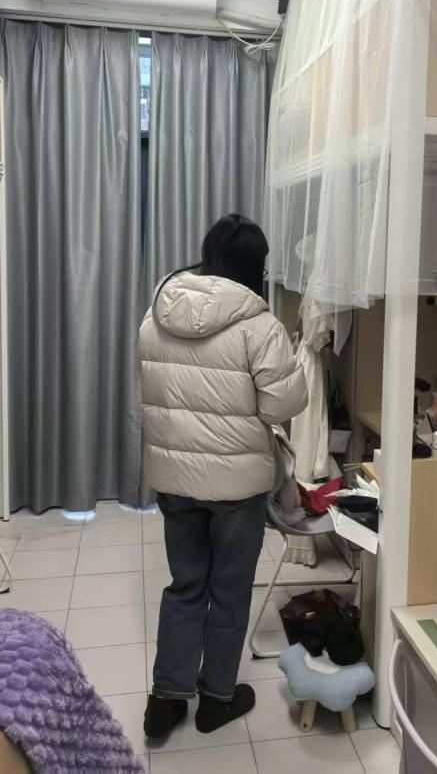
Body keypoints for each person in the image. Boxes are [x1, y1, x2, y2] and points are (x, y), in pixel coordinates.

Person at [139, 214, 307, 738]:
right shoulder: (261, 326)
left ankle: (166, 700)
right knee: (230, 592)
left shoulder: (158, 313)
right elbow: (282, 405)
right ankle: (216, 699)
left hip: (174, 479)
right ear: (256, 267)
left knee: (185, 584)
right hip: (236, 487)